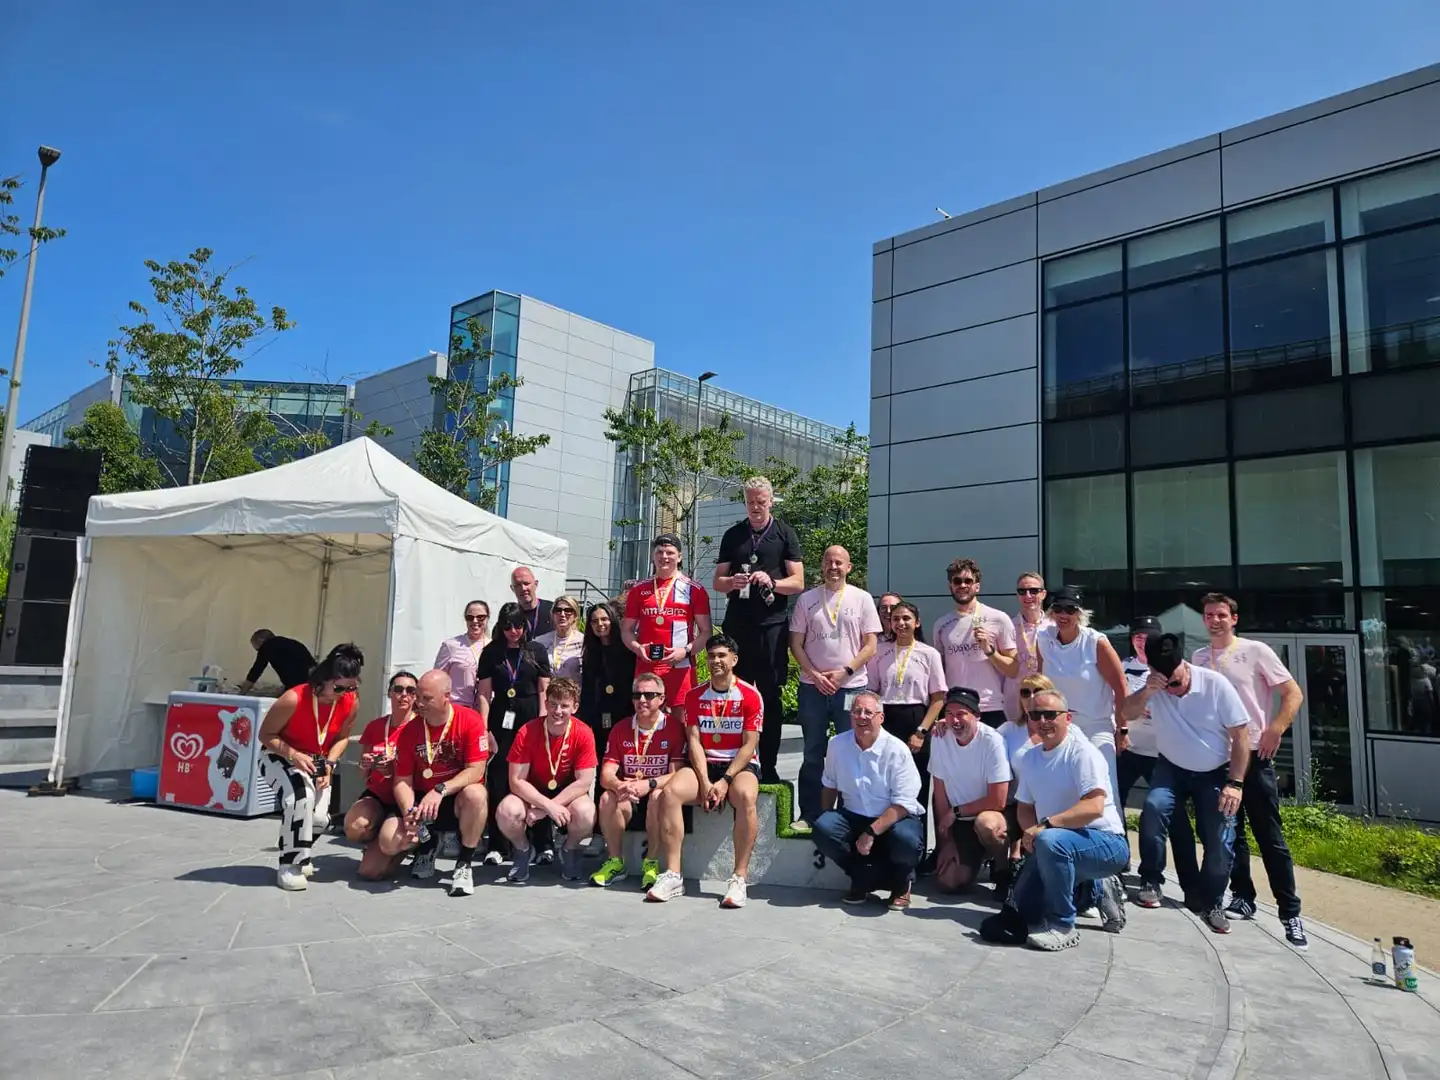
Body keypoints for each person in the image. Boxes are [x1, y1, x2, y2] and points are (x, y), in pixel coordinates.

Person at [1193, 593, 1308, 949]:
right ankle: (1243, 895)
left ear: (1234, 619)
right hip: (1216, 757)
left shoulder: (1255, 651)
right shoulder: (1198, 657)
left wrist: (1276, 728)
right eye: (1209, 615)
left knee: (1269, 835)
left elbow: (1293, 694)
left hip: (1255, 752)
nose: (1215, 620)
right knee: (1230, 833)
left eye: (1222, 615)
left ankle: (1290, 913)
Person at [1123, 632, 1250, 935]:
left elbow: (1241, 735)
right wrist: (1147, 693)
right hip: (1171, 767)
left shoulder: (1214, 684)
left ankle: (1213, 900)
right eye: (1165, 681)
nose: (1172, 687)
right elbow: (1125, 712)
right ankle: (1151, 880)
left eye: (1176, 681)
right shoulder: (1153, 686)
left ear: (1184, 666)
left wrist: (1236, 782)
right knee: (1153, 808)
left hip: (1215, 770)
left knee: (1220, 838)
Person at [986, 688, 1129, 951]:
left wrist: (1046, 827)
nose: (1043, 721)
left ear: (1068, 718)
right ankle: (1095, 888)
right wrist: (1030, 834)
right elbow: (1025, 806)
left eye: (1051, 714)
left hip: (1106, 843)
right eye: (1036, 714)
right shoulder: (1029, 758)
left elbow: (1094, 806)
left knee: (1051, 841)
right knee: (1024, 910)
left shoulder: (1082, 753)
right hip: (1056, 843)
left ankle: (1063, 925)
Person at [646, 633, 763, 908]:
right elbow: (694, 741)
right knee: (671, 792)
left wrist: (724, 781)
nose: (715, 661)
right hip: (704, 762)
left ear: (734, 660)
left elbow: (750, 746)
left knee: (746, 796)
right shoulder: (694, 695)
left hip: (739, 764)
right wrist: (705, 780)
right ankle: (673, 874)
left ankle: (739, 878)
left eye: (722, 655)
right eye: (711, 656)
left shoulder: (750, 694)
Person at [713, 476, 806, 784]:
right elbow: (718, 581)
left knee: (769, 698)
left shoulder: (785, 533)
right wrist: (733, 583)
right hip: (737, 625)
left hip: (772, 628)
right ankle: (731, 763)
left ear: (771, 502)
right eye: (751, 502)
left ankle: (769, 765)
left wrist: (772, 582)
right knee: (733, 694)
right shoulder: (733, 535)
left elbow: (799, 582)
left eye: (761, 502)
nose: (756, 507)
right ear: (745, 502)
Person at [256, 644, 364, 890]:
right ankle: (289, 864)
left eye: (352, 687)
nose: (344, 693)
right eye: (339, 687)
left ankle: (300, 850)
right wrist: (293, 754)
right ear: (323, 679)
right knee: (300, 799)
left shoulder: (349, 701)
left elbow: (343, 738)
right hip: (278, 756)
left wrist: (330, 763)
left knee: (318, 819)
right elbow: (266, 735)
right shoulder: (294, 698)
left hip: (318, 760)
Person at [789, 545, 882, 830]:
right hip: (812, 687)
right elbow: (795, 643)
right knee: (813, 751)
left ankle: (849, 813)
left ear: (849, 567)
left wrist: (845, 672)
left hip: (851, 687)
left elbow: (871, 644)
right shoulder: (807, 600)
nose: (833, 567)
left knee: (852, 750)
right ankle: (810, 813)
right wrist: (815, 675)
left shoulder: (862, 598)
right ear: (821, 566)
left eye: (839, 562)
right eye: (829, 561)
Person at [380, 670, 490, 896]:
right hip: (422, 801)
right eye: (417, 696)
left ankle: (464, 864)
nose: (418, 703)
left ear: (446, 696)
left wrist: (441, 790)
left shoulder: (470, 720)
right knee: (388, 842)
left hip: (453, 797)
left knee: (477, 795)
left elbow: (476, 769)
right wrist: (409, 811)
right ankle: (427, 845)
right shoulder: (410, 729)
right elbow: (402, 780)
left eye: (426, 698)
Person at [811, 691, 924, 908]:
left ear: (881, 717)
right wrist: (825, 816)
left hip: (894, 817)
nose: (861, 717)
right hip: (853, 814)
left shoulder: (897, 750)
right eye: (856, 711)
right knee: (824, 828)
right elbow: (829, 785)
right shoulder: (836, 744)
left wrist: (871, 832)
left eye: (868, 712)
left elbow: (904, 804)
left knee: (907, 841)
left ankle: (902, 882)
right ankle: (861, 876)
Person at [1117, 618, 1200, 900]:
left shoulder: (1175, 667)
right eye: (1137, 636)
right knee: (1112, 808)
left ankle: (1190, 883)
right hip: (1128, 749)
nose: (1141, 641)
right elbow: (1116, 704)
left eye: (1148, 637)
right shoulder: (1121, 665)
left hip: (1163, 755)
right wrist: (1122, 729)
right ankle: (1119, 864)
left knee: (1172, 817)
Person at [496, 677, 599, 883]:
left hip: (567, 791)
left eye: (564, 705)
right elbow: (516, 780)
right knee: (506, 812)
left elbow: (583, 782)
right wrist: (545, 805)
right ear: (546, 703)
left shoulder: (584, 733)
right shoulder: (527, 731)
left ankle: (569, 849)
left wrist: (545, 809)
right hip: (532, 791)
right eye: (553, 704)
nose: (557, 711)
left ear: (575, 707)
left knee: (587, 813)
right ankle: (523, 849)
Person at [590, 672, 688, 888]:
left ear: (662, 699)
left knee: (657, 795)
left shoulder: (674, 727)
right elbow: (606, 774)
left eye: (648, 695)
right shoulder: (620, 728)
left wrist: (649, 783)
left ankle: (650, 863)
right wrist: (619, 785)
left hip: (655, 793)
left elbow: (677, 773)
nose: (641, 700)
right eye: (637, 695)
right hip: (629, 795)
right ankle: (616, 862)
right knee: (607, 797)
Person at [1035, 585, 1128, 808]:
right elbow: (1041, 687)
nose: (1063, 615)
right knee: (1064, 795)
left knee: (1103, 795)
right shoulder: (1043, 640)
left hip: (1096, 727)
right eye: (1058, 609)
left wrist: (1122, 729)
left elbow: (1121, 687)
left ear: (1079, 613)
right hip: (1060, 729)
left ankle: (1114, 840)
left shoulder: (1096, 642)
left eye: (1070, 609)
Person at [475, 602, 553, 862]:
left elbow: (544, 690)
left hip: (531, 715)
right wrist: (485, 728)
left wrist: (545, 723)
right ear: (500, 626)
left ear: (525, 626)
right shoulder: (490, 652)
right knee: (499, 776)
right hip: (501, 717)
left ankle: (543, 843)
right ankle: (498, 845)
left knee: (535, 775)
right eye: (507, 626)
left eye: (518, 625)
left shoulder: (537, 651)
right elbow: (484, 694)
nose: (513, 631)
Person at [866, 600, 944, 842]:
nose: (900, 623)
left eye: (906, 618)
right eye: (896, 619)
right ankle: (884, 842)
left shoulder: (929, 653)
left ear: (917, 622)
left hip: (916, 722)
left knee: (916, 785)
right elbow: (872, 691)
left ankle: (916, 847)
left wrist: (921, 732)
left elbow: (938, 697)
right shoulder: (880, 651)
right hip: (887, 719)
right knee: (885, 783)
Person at [929, 687, 1014, 893]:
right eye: (949, 714)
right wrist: (946, 842)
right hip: (959, 823)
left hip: (990, 815)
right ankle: (974, 856)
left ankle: (1002, 867)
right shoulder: (939, 737)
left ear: (977, 715)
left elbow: (998, 800)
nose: (954, 721)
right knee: (948, 883)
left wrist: (956, 811)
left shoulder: (992, 741)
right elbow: (939, 794)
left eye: (961, 714)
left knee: (987, 824)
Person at [625, 534, 712, 731]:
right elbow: (626, 631)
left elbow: (705, 632)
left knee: (683, 724)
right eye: (660, 552)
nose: (664, 557)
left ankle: (683, 762)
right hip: (647, 667)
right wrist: (638, 648)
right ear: (653, 556)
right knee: (646, 720)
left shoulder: (694, 590)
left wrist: (687, 651)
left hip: (680, 668)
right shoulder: (639, 590)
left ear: (679, 557)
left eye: (670, 553)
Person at [344, 670, 418, 880]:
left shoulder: (420, 727)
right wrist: (366, 763)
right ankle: (379, 839)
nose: (404, 695)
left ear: (415, 696)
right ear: (389, 693)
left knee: (372, 871)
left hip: (406, 800)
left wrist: (396, 768)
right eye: (398, 689)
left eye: (410, 690)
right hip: (378, 795)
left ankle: (406, 844)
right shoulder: (376, 727)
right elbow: (361, 774)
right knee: (355, 827)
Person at [931, 558, 1018, 728]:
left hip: (989, 707)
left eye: (968, 581)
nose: (962, 585)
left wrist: (989, 650)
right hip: (955, 708)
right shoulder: (941, 625)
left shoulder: (998, 618)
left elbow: (1013, 669)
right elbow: (939, 673)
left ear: (977, 586)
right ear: (950, 586)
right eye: (957, 581)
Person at [579, 600, 636, 755]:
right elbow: (588, 686)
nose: (600, 624)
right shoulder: (590, 653)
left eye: (604, 619)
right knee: (602, 754)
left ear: (612, 620)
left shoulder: (628, 649)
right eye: (595, 621)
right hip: (600, 714)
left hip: (625, 712)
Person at [1004, 572, 1051, 723]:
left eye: (1034, 591)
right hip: (1015, 698)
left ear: (1043, 594)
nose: (1028, 595)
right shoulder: (1007, 626)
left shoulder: (1054, 626)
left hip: (1046, 694)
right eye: (1022, 591)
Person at [434, 601, 490, 706]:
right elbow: (437, 680)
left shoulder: (493, 646)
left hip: (485, 708)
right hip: (458, 707)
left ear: (487, 618)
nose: (475, 621)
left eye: (480, 617)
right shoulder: (451, 646)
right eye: (470, 617)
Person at [239, 629, 316, 694]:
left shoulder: (267, 646)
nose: (258, 652)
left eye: (257, 649)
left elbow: (256, 671)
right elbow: (312, 665)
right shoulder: (294, 643)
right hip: (311, 683)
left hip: (297, 686)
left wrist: (241, 694)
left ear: (260, 641)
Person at [535, 594, 584, 682]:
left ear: (575, 615)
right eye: (558, 610)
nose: (562, 614)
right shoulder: (540, 642)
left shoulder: (583, 642)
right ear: (552, 615)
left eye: (568, 610)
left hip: (575, 694)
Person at [510, 565, 554, 639]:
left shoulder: (553, 610)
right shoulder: (510, 615)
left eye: (526, 583)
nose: (523, 588)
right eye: (518, 585)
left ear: (536, 584)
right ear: (512, 588)